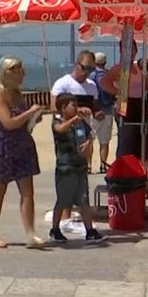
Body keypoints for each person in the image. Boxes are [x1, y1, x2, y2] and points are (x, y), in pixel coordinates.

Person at [0, 56, 45, 249]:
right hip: (2, 144)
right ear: (8, 73)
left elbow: (22, 122)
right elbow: (8, 123)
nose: (23, 75)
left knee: (28, 191)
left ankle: (30, 232)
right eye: (19, 71)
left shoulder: (19, 95)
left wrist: (33, 118)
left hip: (22, 144)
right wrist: (29, 113)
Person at [49, 94, 104, 244]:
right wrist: (73, 120)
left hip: (80, 165)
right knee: (63, 201)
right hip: (66, 167)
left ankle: (90, 230)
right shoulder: (57, 121)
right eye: (72, 105)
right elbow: (59, 129)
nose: (76, 107)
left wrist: (88, 142)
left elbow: (91, 133)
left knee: (83, 199)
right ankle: (55, 229)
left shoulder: (81, 122)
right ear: (63, 107)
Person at [101, 40, 148, 160]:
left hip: (140, 104)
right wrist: (119, 93)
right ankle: (123, 166)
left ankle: (137, 166)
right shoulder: (120, 68)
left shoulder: (137, 67)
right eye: (126, 50)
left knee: (140, 139)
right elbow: (104, 83)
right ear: (121, 51)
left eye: (132, 50)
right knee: (127, 139)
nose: (130, 52)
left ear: (136, 51)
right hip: (125, 105)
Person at [50, 50, 102, 173]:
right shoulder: (62, 83)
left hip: (84, 130)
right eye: (85, 68)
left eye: (91, 69)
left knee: (82, 165)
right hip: (66, 131)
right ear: (77, 64)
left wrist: (98, 112)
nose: (87, 72)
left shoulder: (92, 86)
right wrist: (78, 110)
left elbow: (94, 106)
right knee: (67, 165)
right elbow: (54, 107)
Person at [91, 52, 116, 173]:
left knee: (90, 139)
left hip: (93, 110)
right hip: (108, 110)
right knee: (104, 141)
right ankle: (102, 165)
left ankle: (88, 165)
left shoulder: (91, 76)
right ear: (105, 62)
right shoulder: (109, 76)